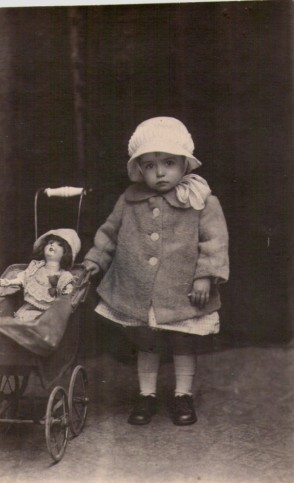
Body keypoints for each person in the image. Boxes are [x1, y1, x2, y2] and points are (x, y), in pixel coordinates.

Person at [83, 116, 229, 426]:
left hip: (183, 288)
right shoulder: (130, 199)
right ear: (139, 169)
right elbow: (109, 233)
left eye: (168, 162)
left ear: (184, 164)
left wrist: (205, 275)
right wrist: (94, 260)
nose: (160, 172)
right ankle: (146, 395)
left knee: (183, 341)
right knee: (145, 342)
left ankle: (182, 395)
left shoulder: (200, 199)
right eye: (149, 165)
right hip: (137, 288)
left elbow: (214, 241)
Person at [0, 228, 81, 322]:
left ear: (66, 253)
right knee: (18, 321)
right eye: (50, 242)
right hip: (26, 310)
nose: (52, 245)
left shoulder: (64, 276)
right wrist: (9, 282)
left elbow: (66, 295)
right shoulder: (36, 267)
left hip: (46, 316)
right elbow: (23, 278)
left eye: (60, 245)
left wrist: (67, 292)